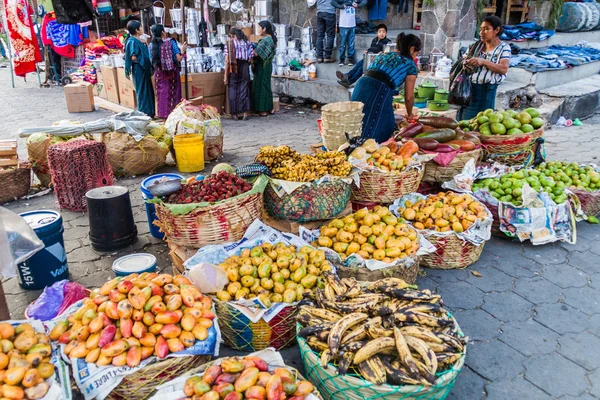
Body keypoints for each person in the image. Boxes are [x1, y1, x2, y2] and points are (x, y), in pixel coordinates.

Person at [351, 32, 421, 143]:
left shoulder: (386, 54)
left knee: (357, 121)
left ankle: (353, 148)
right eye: (416, 53)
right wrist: (410, 114)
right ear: (412, 49)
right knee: (384, 126)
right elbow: (409, 97)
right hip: (378, 89)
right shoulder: (410, 65)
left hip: (361, 84)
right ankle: (371, 153)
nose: (415, 56)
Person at [459, 15, 511, 120]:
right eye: (481, 29)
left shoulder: (504, 48)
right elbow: (462, 62)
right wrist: (467, 62)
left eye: (486, 29)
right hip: (469, 90)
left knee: (482, 122)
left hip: (486, 91)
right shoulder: (476, 46)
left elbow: (503, 69)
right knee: (464, 122)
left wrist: (483, 62)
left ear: (497, 30)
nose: (482, 33)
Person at [148, 24, 187, 119]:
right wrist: (182, 51)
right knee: (174, 94)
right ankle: (174, 115)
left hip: (159, 74)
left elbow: (150, 60)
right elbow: (178, 59)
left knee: (162, 95)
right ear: (162, 32)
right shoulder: (171, 43)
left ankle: (162, 115)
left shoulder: (151, 45)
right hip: (172, 73)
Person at [124, 20, 155, 117]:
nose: (142, 29)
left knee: (148, 90)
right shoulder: (132, 42)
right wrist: (143, 60)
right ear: (137, 30)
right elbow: (133, 57)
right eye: (140, 27)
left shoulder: (138, 40)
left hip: (144, 69)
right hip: (139, 69)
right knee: (142, 91)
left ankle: (150, 113)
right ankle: (143, 113)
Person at [224, 27, 254, 120]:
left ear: (233, 35)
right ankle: (245, 112)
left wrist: (225, 76)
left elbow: (227, 60)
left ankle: (235, 114)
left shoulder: (230, 43)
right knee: (244, 88)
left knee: (233, 88)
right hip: (244, 66)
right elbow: (251, 58)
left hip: (234, 66)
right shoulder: (247, 42)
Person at [252, 20, 277, 116]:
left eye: (259, 27)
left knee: (261, 87)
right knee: (266, 86)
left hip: (262, 66)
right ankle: (270, 108)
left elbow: (257, 53)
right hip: (268, 65)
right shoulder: (271, 39)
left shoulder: (266, 40)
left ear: (264, 29)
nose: (258, 30)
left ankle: (263, 109)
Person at [332, 0, 366, 66]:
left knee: (351, 44)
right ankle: (342, 60)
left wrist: (358, 5)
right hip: (343, 25)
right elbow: (332, 2)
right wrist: (340, 6)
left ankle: (351, 59)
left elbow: (364, 1)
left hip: (352, 25)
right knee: (342, 44)